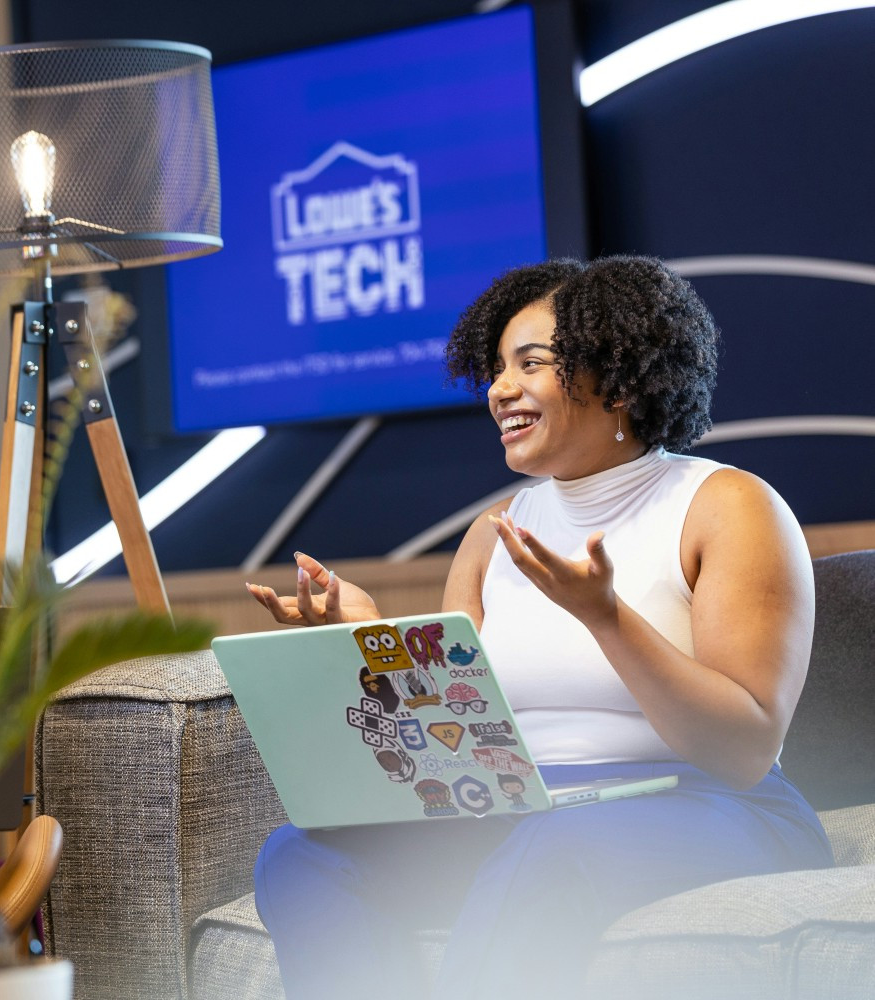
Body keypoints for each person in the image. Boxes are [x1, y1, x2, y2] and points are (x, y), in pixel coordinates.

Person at [244, 256, 833, 1000]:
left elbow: (744, 749)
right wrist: (370, 640)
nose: (499, 390)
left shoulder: (727, 506)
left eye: (531, 365)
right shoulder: (495, 534)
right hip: (531, 810)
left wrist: (608, 620)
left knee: (545, 848)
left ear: (618, 379)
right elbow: (462, 729)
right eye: (496, 369)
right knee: (300, 854)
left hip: (711, 806)